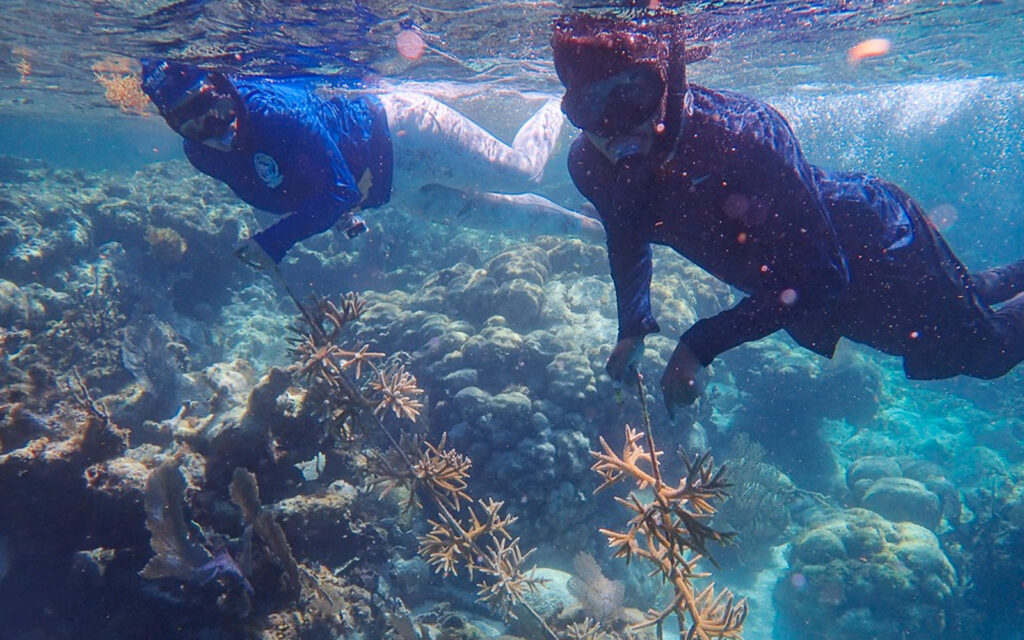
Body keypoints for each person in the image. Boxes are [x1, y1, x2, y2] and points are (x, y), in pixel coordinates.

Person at [550, 13, 1024, 417]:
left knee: (986, 351)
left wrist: (700, 344)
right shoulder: (590, 165)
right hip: (798, 280)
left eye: (633, 93)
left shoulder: (745, 133)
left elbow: (823, 273)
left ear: (668, 81)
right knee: (966, 290)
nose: (621, 125)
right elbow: (627, 229)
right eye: (592, 107)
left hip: (876, 250)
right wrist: (632, 326)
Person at [139, 60, 604, 268]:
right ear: (174, 128)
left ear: (224, 89)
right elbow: (303, 183)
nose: (217, 131)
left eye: (216, 112)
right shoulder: (203, 155)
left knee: (523, 170)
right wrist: (340, 216)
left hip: (408, 133)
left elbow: (338, 189)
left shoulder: (273, 111)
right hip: (388, 191)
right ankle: (602, 232)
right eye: (193, 127)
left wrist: (274, 242)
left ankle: (557, 102)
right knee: (508, 221)